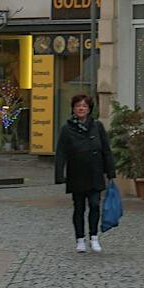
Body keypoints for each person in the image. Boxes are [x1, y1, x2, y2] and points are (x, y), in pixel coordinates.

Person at [54, 93, 115, 254]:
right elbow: (61, 153)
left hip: (95, 172)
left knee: (95, 205)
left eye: (84, 106)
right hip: (77, 173)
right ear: (73, 109)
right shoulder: (67, 129)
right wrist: (59, 174)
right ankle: (80, 239)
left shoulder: (98, 126)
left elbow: (106, 150)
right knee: (79, 207)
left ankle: (94, 237)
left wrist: (110, 171)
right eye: (78, 106)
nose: (81, 109)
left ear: (89, 109)